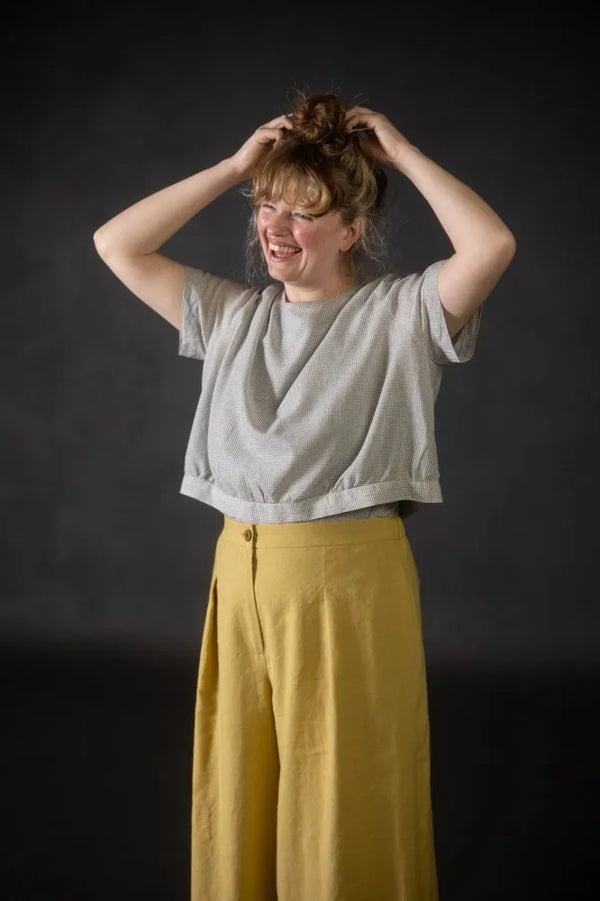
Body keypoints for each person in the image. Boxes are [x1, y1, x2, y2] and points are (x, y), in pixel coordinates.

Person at [93, 90, 516, 900]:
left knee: (345, 803)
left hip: (344, 576)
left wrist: (399, 151)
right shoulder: (231, 315)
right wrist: (233, 168)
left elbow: (491, 242)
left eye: (305, 212)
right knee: (236, 794)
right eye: (266, 208)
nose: (275, 227)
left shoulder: (400, 315)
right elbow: (117, 243)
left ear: (353, 229)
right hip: (239, 567)